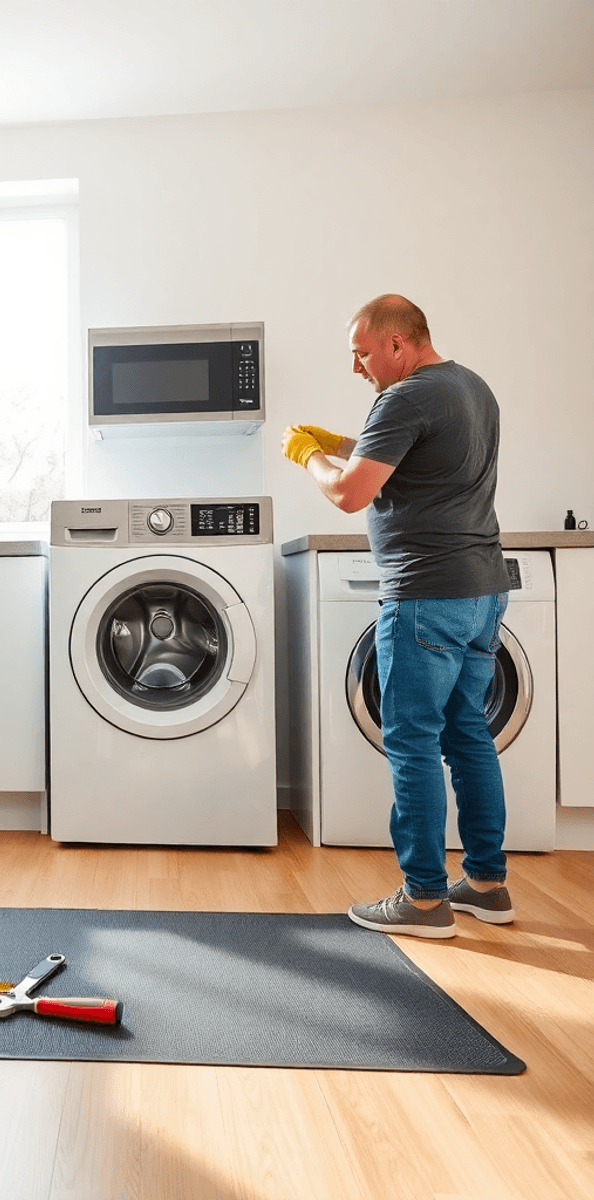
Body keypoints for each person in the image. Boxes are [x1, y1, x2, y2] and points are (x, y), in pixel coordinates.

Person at [282, 294, 516, 938]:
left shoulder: (405, 396)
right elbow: (412, 456)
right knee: (468, 733)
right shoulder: (472, 388)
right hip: (483, 590)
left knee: (410, 741)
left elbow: (349, 491)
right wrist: (339, 441)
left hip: (427, 594)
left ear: (396, 344)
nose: (356, 367)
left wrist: (309, 456)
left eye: (361, 353)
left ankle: (422, 900)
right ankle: (489, 886)